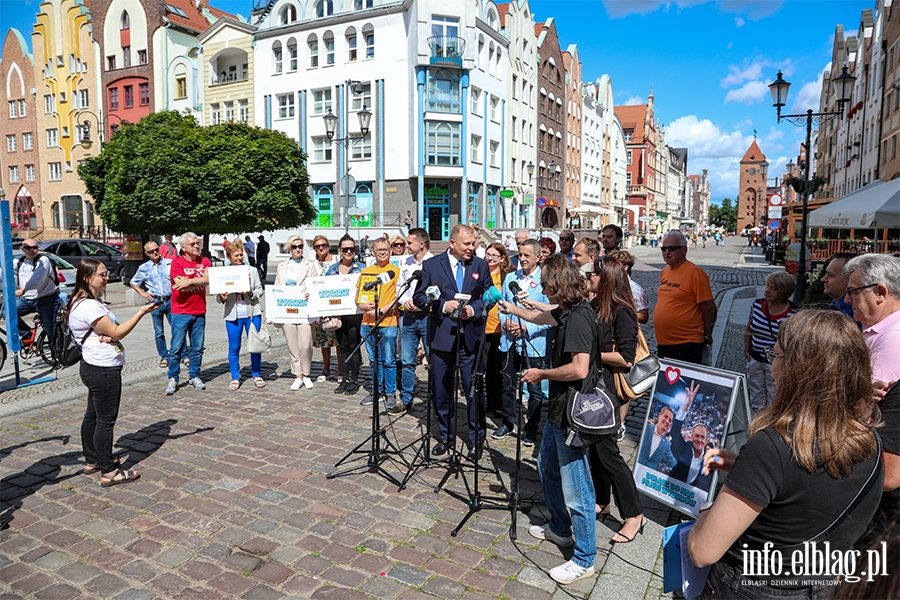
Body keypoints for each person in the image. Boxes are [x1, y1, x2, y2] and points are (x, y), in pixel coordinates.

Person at [688, 310, 883, 597]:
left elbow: (702, 551)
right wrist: (743, 469)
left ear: (797, 371)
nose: (771, 365)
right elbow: (806, 489)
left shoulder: (771, 447)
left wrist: (710, 511)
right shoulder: (870, 440)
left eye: (776, 355)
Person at [499, 254, 600, 584]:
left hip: (572, 414)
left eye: (545, 284)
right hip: (558, 411)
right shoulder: (566, 310)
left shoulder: (580, 317)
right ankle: (560, 528)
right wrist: (514, 309)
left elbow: (580, 368)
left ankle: (585, 558)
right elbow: (541, 316)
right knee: (547, 467)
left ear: (558, 283)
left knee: (578, 489)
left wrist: (542, 372)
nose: (542, 288)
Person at [68, 259, 159, 487]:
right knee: (105, 420)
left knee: (93, 415)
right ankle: (109, 471)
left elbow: (107, 330)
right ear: (88, 277)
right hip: (102, 369)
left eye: (107, 273)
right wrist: (141, 312)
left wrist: (108, 334)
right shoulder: (88, 305)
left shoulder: (87, 300)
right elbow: (118, 332)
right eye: (102, 274)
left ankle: (93, 460)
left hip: (94, 365)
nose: (107, 277)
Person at [413, 224, 493, 458]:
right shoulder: (431, 265)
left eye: (474, 243)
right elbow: (419, 297)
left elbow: (489, 296)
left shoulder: (480, 265)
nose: (472, 248)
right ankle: (446, 436)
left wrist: (474, 309)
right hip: (442, 338)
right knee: (442, 390)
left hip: (470, 338)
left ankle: (476, 440)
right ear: (452, 243)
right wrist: (440, 306)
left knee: (473, 391)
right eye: (467, 244)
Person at [583, 255, 646, 537]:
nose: (589, 279)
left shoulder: (623, 312)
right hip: (593, 386)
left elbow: (626, 358)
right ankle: (602, 500)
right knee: (595, 449)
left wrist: (591, 356)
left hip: (609, 390)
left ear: (606, 278)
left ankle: (634, 514)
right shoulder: (596, 305)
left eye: (593, 275)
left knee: (609, 454)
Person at [494, 239, 552, 446]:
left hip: (533, 343)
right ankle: (507, 423)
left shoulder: (544, 280)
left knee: (535, 389)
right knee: (507, 384)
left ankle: (531, 428)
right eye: (520, 255)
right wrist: (507, 321)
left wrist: (528, 327)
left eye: (527, 255)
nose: (523, 259)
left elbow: (552, 315)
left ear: (538, 257)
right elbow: (502, 305)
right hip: (509, 341)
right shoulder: (511, 277)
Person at [654, 230, 717, 364]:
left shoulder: (695, 274)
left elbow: (710, 308)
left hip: (687, 342)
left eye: (671, 248)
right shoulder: (665, 271)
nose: (667, 252)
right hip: (663, 342)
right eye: (664, 249)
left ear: (684, 250)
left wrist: (707, 334)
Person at [744, 271, 797, 415]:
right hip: (755, 359)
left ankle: (770, 430)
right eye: (767, 285)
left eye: (773, 288)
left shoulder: (793, 313)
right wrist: (747, 350)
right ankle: (756, 427)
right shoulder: (757, 305)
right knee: (756, 397)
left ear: (784, 292)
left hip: (777, 363)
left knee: (775, 399)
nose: (767, 290)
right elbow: (749, 329)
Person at [357, 237, 401, 408]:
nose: (382, 252)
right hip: (367, 322)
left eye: (385, 249)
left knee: (389, 360)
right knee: (374, 361)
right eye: (379, 249)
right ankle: (377, 391)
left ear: (390, 251)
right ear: (373, 252)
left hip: (388, 321)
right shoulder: (366, 271)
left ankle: (390, 393)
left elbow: (399, 298)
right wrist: (362, 305)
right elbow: (357, 298)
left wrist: (381, 310)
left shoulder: (396, 271)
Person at [844, 254, 900, 384]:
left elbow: (872, 400)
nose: (847, 300)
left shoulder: (893, 337)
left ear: (880, 293)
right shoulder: (880, 328)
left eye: (853, 291)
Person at [166, 232, 210, 395]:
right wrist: (196, 282)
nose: (197, 246)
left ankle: (194, 375)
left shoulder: (204, 261)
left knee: (197, 347)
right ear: (183, 247)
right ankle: (173, 377)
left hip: (199, 310)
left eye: (198, 243)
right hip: (181, 311)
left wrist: (190, 281)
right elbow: (179, 285)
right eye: (193, 244)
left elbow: (208, 279)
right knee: (176, 347)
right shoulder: (176, 263)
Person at [395, 228, 434, 414]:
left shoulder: (435, 262)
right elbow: (399, 288)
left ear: (421, 243)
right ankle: (406, 398)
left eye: (409, 243)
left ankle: (436, 398)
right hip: (408, 317)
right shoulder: (405, 262)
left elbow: (439, 291)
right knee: (407, 360)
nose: (406, 246)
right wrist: (405, 302)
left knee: (433, 359)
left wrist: (423, 304)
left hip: (428, 317)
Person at [219, 240, 265, 390]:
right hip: (234, 314)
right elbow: (218, 296)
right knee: (234, 347)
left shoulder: (251, 270)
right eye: (235, 256)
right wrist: (222, 297)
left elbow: (260, 290)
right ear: (229, 257)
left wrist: (251, 292)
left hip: (252, 312)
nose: (239, 258)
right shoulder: (224, 273)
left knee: (254, 345)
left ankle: (256, 374)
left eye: (240, 255)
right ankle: (235, 376)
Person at [274, 235, 317, 391]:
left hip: (304, 310)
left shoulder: (309, 265)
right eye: (294, 247)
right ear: (289, 248)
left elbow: (315, 285)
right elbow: (277, 288)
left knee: (305, 345)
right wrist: (273, 311)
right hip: (287, 309)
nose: (298, 249)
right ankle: (298, 375)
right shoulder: (282, 266)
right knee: (293, 346)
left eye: (300, 246)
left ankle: (306, 374)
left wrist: (309, 293)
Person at [130, 241, 178, 369]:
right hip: (155, 302)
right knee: (159, 332)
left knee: (177, 329)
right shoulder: (144, 267)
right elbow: (133, 282)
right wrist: (143, 293)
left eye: (156, 250)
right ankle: (164, 356)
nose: (155, 253)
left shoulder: (169, 263)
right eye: (151, 252)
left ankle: (181, 354)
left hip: (170, 300)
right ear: (147, 254)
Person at [658, 382, 713, 491]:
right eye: (696, 436)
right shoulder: (684, 448)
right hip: (673, 491)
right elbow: (675, 431)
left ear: (706, 440)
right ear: (691, 437)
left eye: (702, 437)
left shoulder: (709, 457)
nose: (699, 440)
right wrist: (685, 406)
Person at [327, 235, 364, 396]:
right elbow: (324, 290)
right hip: (339, 313)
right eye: (345, 249)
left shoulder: (362, 268)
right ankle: (344, 378)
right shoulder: (332, 269)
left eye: (351, 249)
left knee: (353, 346)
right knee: (342, 346)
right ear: (340, 250)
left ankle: (354, 380)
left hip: (355, 313)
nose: (349, 252)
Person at [14, 238, 60, 354]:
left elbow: (37, 279)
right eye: (28, 248)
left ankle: (57, 358)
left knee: (50, 330)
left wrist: (23, 290)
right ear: (23, 249)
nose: (32, 250)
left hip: (47, 299)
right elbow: (3, 273)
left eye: (35, 247)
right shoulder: (19, 262)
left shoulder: (43, 260)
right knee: (8, 313)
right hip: (27, 299)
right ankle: (26, 333)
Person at [483, 242, 512, 416]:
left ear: (502, 258)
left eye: (495, 255)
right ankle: (486, 402)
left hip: (499, 328)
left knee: (497, 368)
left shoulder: (505, 276)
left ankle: (496, 403)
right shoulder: (480, 273)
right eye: (488, 254)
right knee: (485, 368)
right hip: (482, 326)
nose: (490, 258)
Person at [311, 235, 338, 382]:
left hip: (335, 305)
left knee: (338, 340)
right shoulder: (313, 265)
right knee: (323, 340)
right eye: (317, 246)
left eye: (323, 245)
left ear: (328, 246)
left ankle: (341, 369)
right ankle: (326, 368)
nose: (321, 248)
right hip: (320, 307)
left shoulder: (336, 261)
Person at [608, 250, 649, 324]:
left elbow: (644, 317)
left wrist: (623, 312)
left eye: (613, 266)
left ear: (625, 267)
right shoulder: (605, 283)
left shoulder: (636, 290)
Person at [821, 252, 856, 318]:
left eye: (831, 275)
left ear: (851, 278)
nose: (823, 279)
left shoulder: (848, 314)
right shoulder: (835, 306)